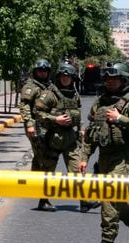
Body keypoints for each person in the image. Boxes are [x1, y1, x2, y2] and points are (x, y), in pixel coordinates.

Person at [79, 63, 129, 243]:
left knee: (109, 198)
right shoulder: (100, 103)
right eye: (108, 79)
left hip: (124, 159)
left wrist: (121, 119)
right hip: (104, 160)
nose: (110, 82)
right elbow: (91, 135)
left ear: (123, 80)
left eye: (115, 79)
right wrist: (84, 158)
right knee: (117, 200)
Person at [40, 62, 100, 213]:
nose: (65, 79)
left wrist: (81, 129)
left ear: (73, 78)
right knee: (48, 171)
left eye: (68, 76)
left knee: (78, 170)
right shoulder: (49, 94)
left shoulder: (74, 95)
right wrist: (55, 119)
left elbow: (77, 116)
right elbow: (38, 114)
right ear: (58, 77)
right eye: (63, 76)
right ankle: (43, 201)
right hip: (53, 138)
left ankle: (84, 201)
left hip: (70, 138)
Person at [19, 59, 58, 211]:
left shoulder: (49, 86)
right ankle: (43, 198)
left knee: (39, 158)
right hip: (36, 127)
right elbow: (25, 106)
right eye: (40, 71)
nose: (43, 73)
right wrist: (29, 124)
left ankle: (33, 185)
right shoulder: (31, 87)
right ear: (35, 72)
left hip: (49, 127)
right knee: (46, 159)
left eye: (45, 71)